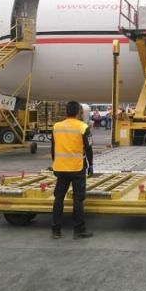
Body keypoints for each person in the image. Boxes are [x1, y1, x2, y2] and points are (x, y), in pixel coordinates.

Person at [50, 101, 94, 239]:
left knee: (59, 198)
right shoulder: (83, 127)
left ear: (66, 112)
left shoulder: (56, 127)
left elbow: (53, 148)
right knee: (78, 199)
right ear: (78, 113)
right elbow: (88, 148)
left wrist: (55, 162)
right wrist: (91, 164)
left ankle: (56, 230)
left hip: (60, 167)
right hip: (77, 168)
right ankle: (79, 230)